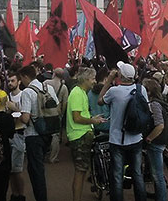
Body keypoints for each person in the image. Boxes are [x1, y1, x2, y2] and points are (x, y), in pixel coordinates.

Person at [98, 61, 148, 201]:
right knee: (137, 173)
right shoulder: (141, 89)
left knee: (117, 175)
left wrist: (109, 80)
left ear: (121, 75)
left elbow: (100, 100)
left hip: (117, 139)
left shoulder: (114, 91)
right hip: (136, 137)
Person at [17, 65, 59, 201]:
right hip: (47, 131)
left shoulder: (27, 92)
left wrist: (15, 111)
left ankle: (41, 197)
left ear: (25, 77)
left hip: (33, 134)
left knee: (36, 171)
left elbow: (25, 118)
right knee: (37, 168)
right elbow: (56, 105)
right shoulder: (48, 88)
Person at [66, 67, 106, 201]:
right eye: (93, 78)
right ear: (86, 79)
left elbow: (80, 115)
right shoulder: (77, 93)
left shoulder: (81, 92)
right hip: (79, 136)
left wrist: (93, 118)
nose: (94, 81)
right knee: (80, 171)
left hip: (81, 134)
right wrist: (93, 120)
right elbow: (77, 118)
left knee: (82, 171)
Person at [142, 78, 168, 201]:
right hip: (163, 139)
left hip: (156, 141)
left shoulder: (154, 104)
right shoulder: (160, 102)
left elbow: (159, 125)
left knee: (157, 174)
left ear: (149, 92)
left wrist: (149, 138)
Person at [5, 71, 27, 201]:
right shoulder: (7, 97)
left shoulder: (23, 95)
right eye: (9, 81)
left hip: (19, 134)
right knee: (11, 170)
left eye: (13, 81)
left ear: (19, 81)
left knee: (17, 169)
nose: (10, 83)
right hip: (9, 134)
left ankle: (21, 194)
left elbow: (26, 115)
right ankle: (14, 194)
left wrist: (14, 108)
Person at [45, 68, 69, 164]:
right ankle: (53, 157)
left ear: (54, 74)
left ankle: (45, 152)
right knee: (55, 135)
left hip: (45, 111)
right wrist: (62, 113)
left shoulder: (46, 83)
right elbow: (65, 102)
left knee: (45, 132)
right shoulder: (63, 87)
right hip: (56, 112)